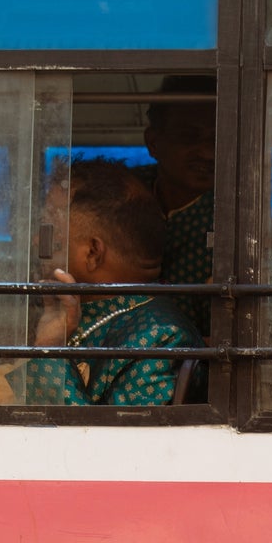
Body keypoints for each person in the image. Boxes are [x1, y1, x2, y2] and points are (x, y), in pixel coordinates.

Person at [29, 159, 202, 408]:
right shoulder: (73, 308)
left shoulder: (161, 338)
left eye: (49, 233)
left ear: (92, 252)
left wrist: (49, 348)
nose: (36, 242)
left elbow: (107, 444)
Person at [142, 74, 216, 336]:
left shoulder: (238, 216)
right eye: (189, 137)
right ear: (153, 142)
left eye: (217, 140)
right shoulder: (121, 195)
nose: (207, 152)